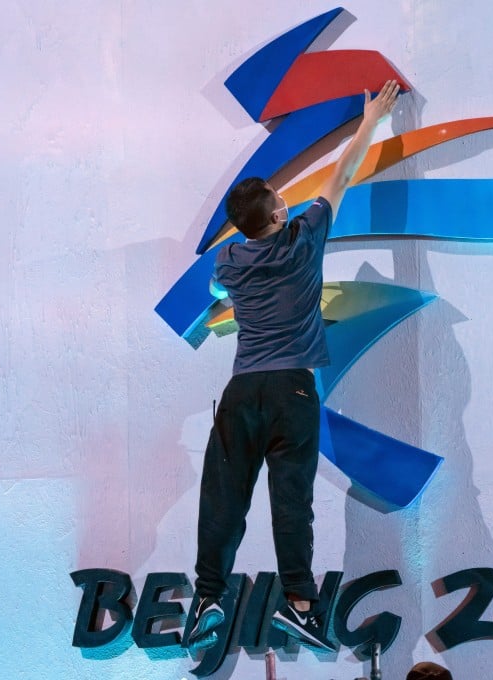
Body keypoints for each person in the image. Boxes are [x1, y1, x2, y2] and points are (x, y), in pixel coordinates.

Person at [186, 80, 402, 652]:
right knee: (291, 501)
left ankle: (207, 596)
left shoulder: (229, 259)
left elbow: (212, 285)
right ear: (280, 214)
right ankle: (300, 606)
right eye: (281, 201)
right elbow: (343, 173)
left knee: (224, 495)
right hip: (292, 391)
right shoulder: (304, 240)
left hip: (242, 390)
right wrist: (371, 118)